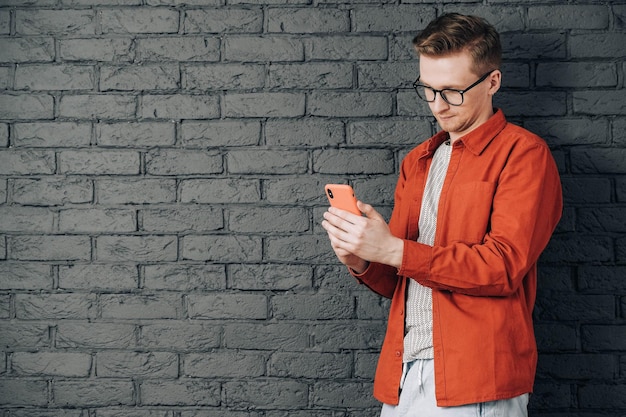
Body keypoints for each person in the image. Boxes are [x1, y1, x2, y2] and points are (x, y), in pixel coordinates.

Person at [321, 13, 563, 417]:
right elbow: (398, 280)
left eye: (452, 91)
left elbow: (503, 266)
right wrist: (362, 256)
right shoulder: (418, 161)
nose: (438, 105)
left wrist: (395, 249)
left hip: (475, 380)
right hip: (402, 375)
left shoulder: (523, 154)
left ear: (492, 82)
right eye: (428, 90)